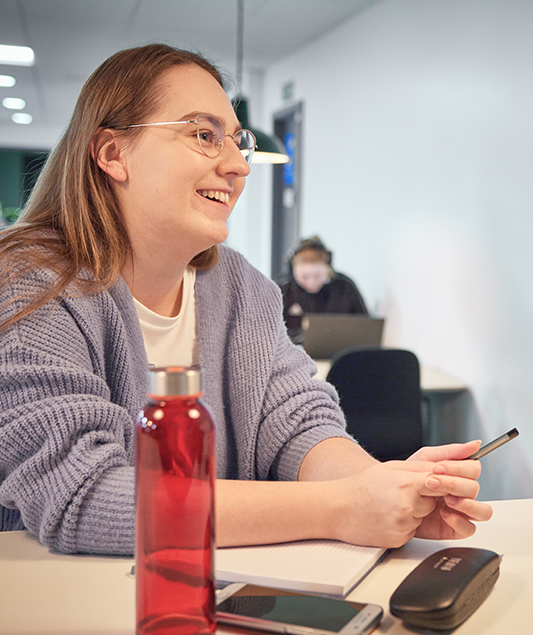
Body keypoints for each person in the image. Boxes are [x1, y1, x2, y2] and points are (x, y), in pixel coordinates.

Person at [0, 44, 491, 556]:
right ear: (112, 154)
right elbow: (83, 496)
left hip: (220, 593)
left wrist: (386, 491)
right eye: (204, 135)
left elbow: (299, 424)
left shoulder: (242, 286)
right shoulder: (30, 281)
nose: (239, 166)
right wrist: (342, 507)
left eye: (238, 142)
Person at [279, 236, 368, 341]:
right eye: (304, 276)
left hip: (337, 353)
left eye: (318, 276)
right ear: (292, 271)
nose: (311, 282)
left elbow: (365, 326)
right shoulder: (282, 290)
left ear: (328, 269)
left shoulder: (345, 287)